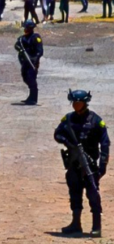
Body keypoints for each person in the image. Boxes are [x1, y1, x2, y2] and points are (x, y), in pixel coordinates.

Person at [54, 89, 109, 237]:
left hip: (90, 165)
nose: (75, 105)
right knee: (74, 193)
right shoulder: (68, 119)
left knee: (93, 194)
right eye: (74, 102)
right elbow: (57, 134)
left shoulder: (96, 121)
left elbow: (105, 144)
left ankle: (96, 226)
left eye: (78, 103)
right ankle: (75, 224)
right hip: (74, 163)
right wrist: (67, 142)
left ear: (85, 103)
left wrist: (102, 166)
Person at [15, 21, 43, 105]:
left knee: (31, 78)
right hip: (24, 61)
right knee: (25, 77)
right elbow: (16, 45)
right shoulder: (22, 38)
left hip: (32, 62)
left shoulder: (35, 37)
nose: (25, 29)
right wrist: (20, 50)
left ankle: (34, 98)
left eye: (27, 28)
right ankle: (31, 95)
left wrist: (35, 59)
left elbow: (40, 51)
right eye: (25, 28)